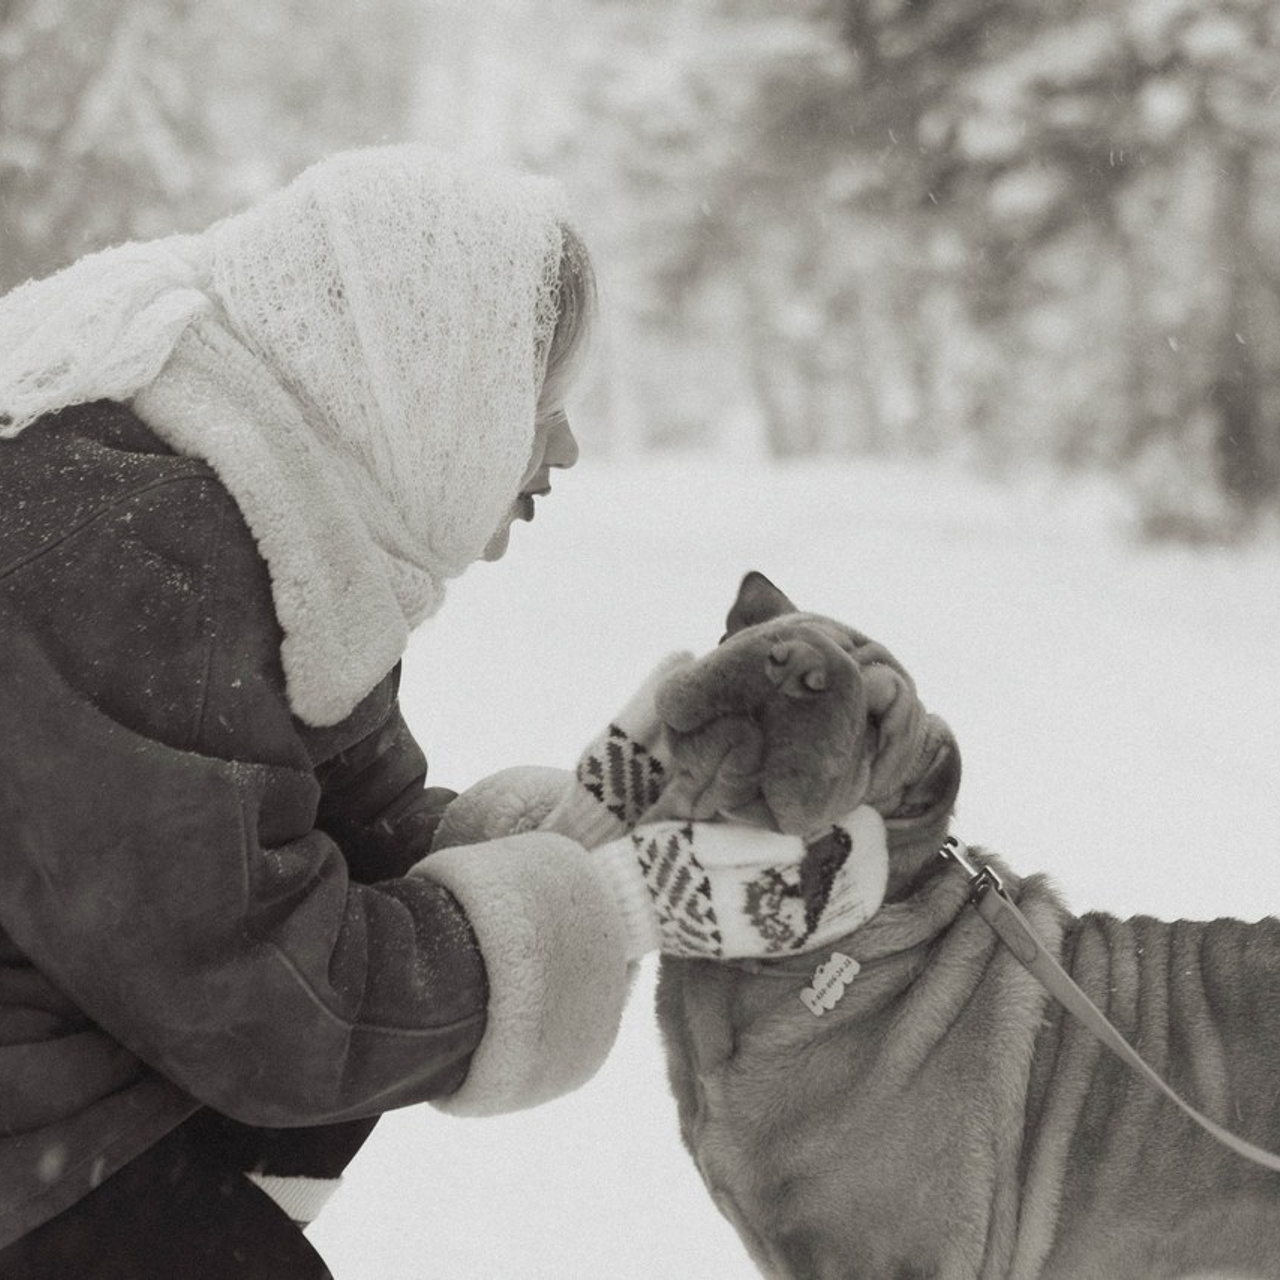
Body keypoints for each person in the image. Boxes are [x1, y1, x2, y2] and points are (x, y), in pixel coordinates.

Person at [0, 145, 889, 1278]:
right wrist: (608, 908)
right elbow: (268, 1001)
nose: (563, 448)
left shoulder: (270, 505)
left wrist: (596, 830)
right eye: (538, 400)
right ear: (431, 381)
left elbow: (353, 833)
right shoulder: (131, 555)